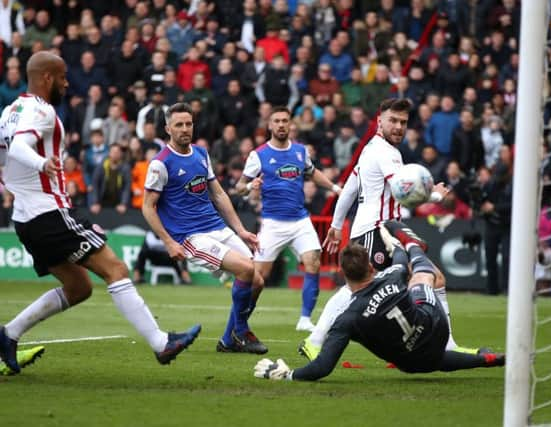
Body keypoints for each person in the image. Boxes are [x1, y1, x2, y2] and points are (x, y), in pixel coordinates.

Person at [0, 52, 200, 375]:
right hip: (48, 212)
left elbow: (8, 152)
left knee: (79, 287)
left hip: (25, 219)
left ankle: (8, 334)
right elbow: (23, 146)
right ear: (47, 78)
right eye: (63, 76)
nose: (67, 83)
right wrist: (42, 164)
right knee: (116, 269)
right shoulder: (40, 109)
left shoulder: (10, 111)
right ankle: (161, 343)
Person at [300, 98, 474, 360]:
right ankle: (315, 341)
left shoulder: (372, 148)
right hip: (376, 231)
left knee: (435, 278)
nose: (398, 126)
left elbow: (349, 187)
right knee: (356, 290)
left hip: (389, 230)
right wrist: (436, 196)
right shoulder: (386, 152)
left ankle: (447, 345)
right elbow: (403, 190)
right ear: (379, 120)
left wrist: (336, 225)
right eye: (393, 120)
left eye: (403, 122)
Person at [253, 223, 504, 381]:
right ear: (372, 267)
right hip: (435, 328)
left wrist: (289, 375)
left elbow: (322, 367)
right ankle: (417, 247)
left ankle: (486, 359)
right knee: (425, 276)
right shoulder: (392, 275)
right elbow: (398, 256)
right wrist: (392, 236)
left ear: (344, 275)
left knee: (426, 356)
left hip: (413, 364)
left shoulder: (347, 319)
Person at [142, 102, 267, 354]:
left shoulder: (201, 154)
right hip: (190, 237)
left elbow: (218, 194)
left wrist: (241, 230)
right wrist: (169, 242)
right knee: (245, 269)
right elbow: (148, 207)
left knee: (258, 281)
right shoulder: (160, 163)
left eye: (188, 123)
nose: (185, 129)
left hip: (216, 227)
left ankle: (229, 340)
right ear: (167, 128)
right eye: (179, 125)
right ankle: (241, 332)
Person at [235, 106, 342, 331]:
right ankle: (241, 321)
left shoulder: (300, 151)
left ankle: (304, 320)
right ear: (270, 125)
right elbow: (239, 187)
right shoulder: (259, 155)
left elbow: (312, 173)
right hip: (273, 223)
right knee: (258, 278)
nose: (282, 125)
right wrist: (249, 186)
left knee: (313, 262)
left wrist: (334, 187)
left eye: (285, 120)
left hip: (300, 220)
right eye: (277, 121)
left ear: (290, 124)